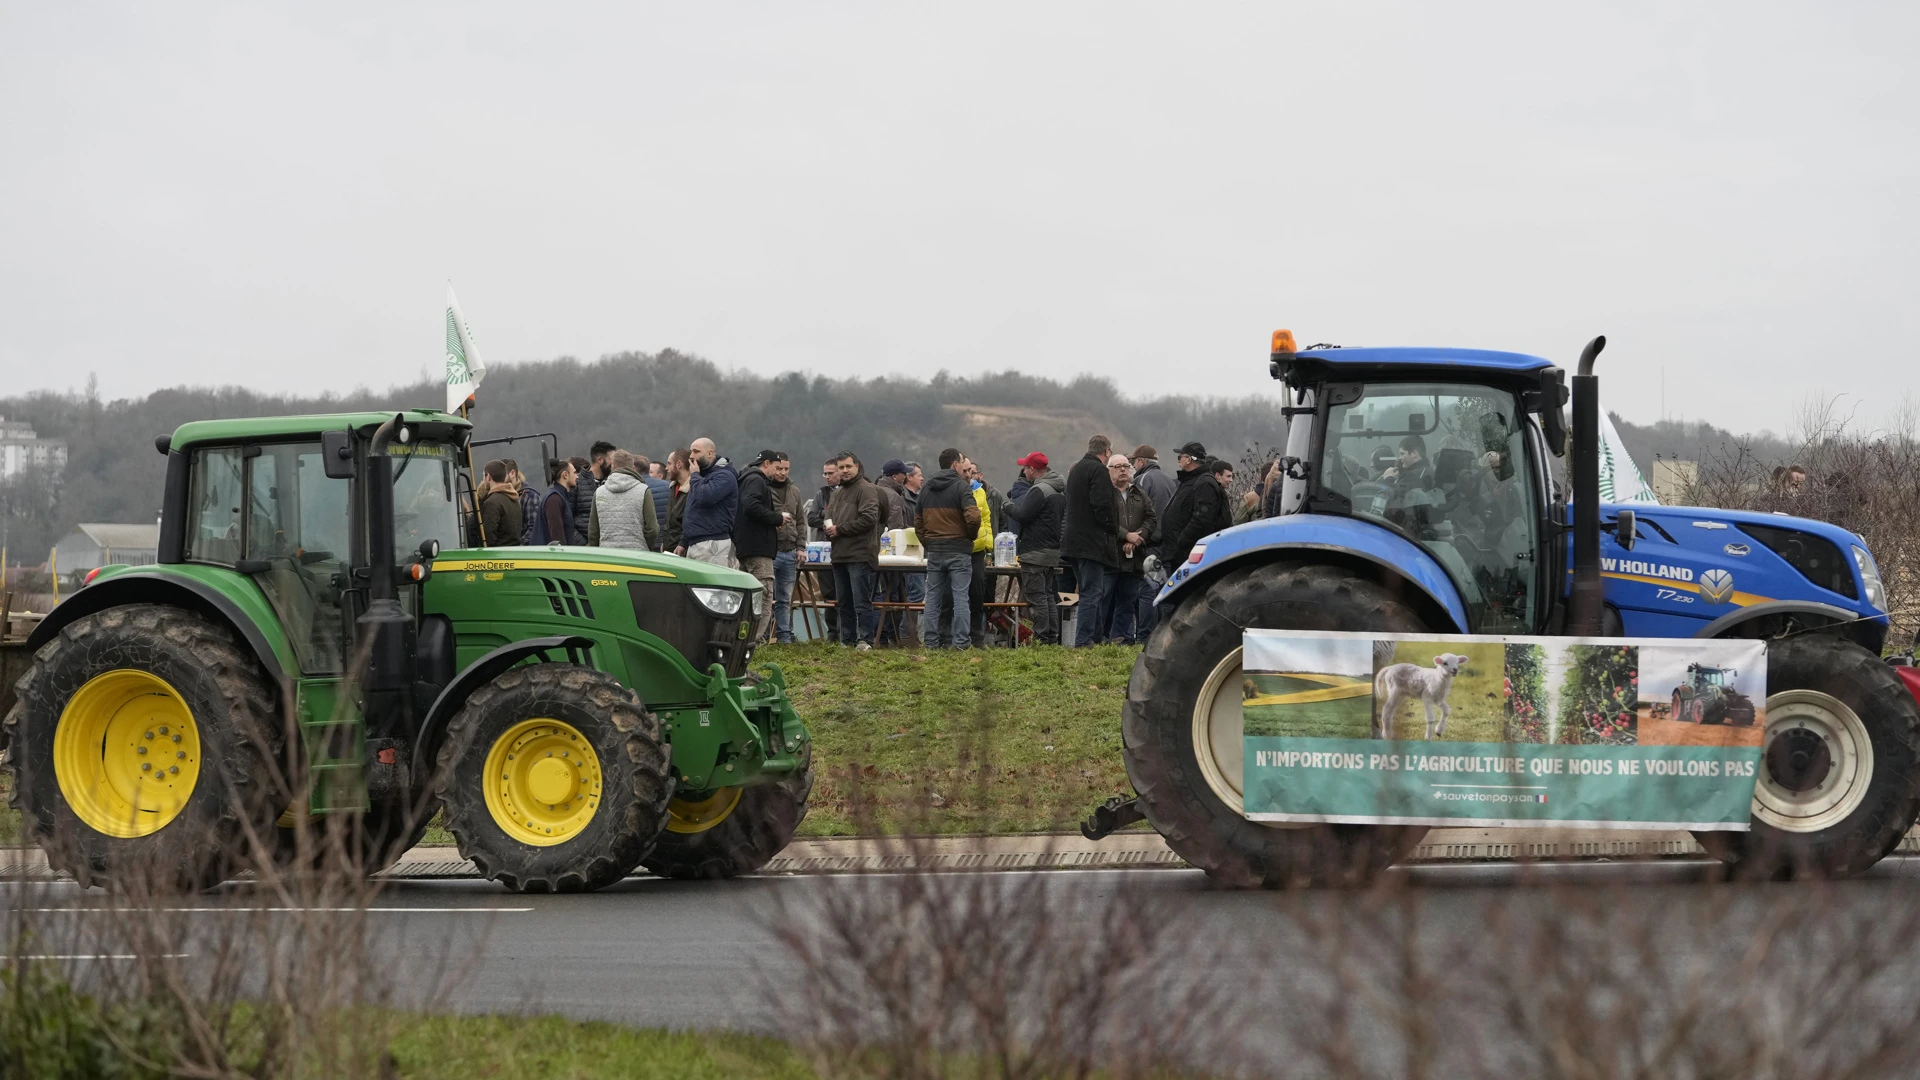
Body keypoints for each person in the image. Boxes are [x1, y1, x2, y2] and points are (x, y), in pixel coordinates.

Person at [915, 448, 980, 649]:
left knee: (933, 597)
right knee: (961, 596)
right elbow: (974, 516)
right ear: (954, 465)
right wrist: (969, 537)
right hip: (959, 549)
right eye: (962, 463)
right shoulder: (961, 487)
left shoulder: (926, 489)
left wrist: (929, 542)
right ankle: (961, 643)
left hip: (935, 549)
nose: (963, 467)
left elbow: (918, 523)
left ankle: (931, 642)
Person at [1062, 435, 1122, 646]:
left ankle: (1095, 637)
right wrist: (1113, 528)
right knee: (1092, 592)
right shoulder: (1098, 471)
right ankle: (1085, 639)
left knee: (1090, 590)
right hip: (1091, 542)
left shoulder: (1077, 469)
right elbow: (1101, 505)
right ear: (1106, 452)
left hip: (1073, 541)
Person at [826, 452, 884, 649]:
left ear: (857, 466)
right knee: (844, 602)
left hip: (860, 554)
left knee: (861, 602)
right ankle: (847, 639)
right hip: (839, 554)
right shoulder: (837, 493)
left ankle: (865, 640)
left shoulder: (866, 490)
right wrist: (829, 528)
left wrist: (839, 529)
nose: (845, 471)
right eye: (841, 467)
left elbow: (869, 519)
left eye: (848, 466)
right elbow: (828, 517)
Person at [1007, 452, 1065, 645]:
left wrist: (1006, 506)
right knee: (1048, 596)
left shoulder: (1039, 490)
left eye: (1025, 468)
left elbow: (1023, 515)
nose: (1024, 472)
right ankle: (1051, 638)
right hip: (1052, 552)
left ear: (1032, 469)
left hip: (1034, 553)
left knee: (1037, 598)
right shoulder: (1057, 490)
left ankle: (1040, 639)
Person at [734, 450, 788, 644]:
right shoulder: (757, 480)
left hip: (745, 545)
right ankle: (753, 640)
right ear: (767, 463)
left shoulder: (745, 479)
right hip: (758, 548)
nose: (778, 471)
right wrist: (777, 517)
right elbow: (751, 506)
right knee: (764, 594)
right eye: (776, 466)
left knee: (747, 595)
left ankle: (741, 638)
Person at [1107, 454, 1157, 645]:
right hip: (1110, 555)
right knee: (1105, 599)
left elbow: (1151, 519)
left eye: (1126, 466)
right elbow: (1104, 520)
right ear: (1109, 470)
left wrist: (1138, 538)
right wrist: (1125, 535)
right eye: (1117, 466)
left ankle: (1122, 638)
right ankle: (1102, 638)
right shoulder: (1105, 493)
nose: (1122, 470)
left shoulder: (1139, 492)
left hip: (1133, 556)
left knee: (1128, 600)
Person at [1158, 442, 1224, 570]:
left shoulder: (1205, 482)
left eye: (1180, 457)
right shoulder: (1189, 480)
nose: (1178, 460)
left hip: (1187, 556)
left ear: (1189, 459)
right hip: (1175, 554)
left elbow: (1202, 519)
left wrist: (1181, 541)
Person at [680, 437, 740, 567]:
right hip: (696, 542)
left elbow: (705, 497)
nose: (691, 456)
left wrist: (694, 475)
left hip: (713, 542)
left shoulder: (724, 476)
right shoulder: (702, 476)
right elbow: (693, 509)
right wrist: (683, 542)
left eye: (696, 452)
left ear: (710, 453)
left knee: (710, 586)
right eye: (691, 452)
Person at [765, 452, 805, 644]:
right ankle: (763, 636)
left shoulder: (794, 490)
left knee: (785, 598)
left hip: (790, 550)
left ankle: (784, 636)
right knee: (765, 596)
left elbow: (801, 522)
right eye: (779, 468)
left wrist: (801, 547)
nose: (782, 473)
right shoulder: (763, 488)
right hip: (770, 551)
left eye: (786, 469)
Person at [588, 449, 659, 551]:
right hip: (637, 554)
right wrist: (646, 546)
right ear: (633, 468)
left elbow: (593, 531)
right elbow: (652, 529)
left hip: (607, 554)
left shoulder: (599, 492)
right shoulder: (643, 491)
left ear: (613, 466)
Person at [963, 458, 995, 646]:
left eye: (972, 472)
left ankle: (976, 637)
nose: (969, 475)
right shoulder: (957, 491)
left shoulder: (980, 491)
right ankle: (957, 636)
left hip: (978, 550)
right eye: (966, 471)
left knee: (977, 595)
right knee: (958, 596)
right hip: (961, 548)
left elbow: (986, 520)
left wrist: (988, 545)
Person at [529, 458, 580, 545]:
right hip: (551, 557)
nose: (577, 476)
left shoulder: (561, 497)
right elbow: (557, 539)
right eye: (574, 473)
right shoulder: (554, 499)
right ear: (565, 475)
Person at [479, 459, 523, 547]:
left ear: (488, 477)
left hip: (498, 556)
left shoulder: (491, 502)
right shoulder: (514, 499)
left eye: (484, 476)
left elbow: (489, 536)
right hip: (515, 553)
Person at [1131, 445, 1177, 519]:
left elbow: (1135, 511)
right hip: (1167, 528)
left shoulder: (1142, 479)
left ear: (1142, 461)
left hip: (1149, 529)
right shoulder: (1170, 480)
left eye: (1134, 461)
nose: (1133, 465)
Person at [635, 455, 671, 548]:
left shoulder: (635, 487)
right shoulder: (669, 487)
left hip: (643, 544)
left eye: (652, 472)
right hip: (665, 542)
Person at [662, 449, 691, 554]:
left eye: (669, 463)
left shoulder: (694, 489)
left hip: (683, 551)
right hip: (670, 549)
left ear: (679, 464)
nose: (666, 468)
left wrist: (683, 544)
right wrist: (665, 543)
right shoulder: (673, 488)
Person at [506, 458, 541, 546]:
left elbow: (534, 528)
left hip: (524, 553)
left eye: (502, 475)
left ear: (512, 473)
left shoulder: (530, 496)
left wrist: (517, 547)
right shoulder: (502, 496)